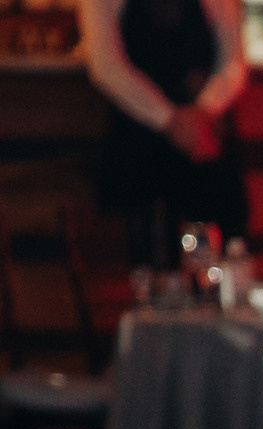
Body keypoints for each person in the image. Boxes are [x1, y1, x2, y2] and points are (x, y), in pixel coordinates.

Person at [79, 0, 248, 268]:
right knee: (148, 255)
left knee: (222, 254)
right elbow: (105, 66)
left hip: (204, 141)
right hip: (140, 142)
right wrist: (168, 119)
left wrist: (202, 113)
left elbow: (233, 62)